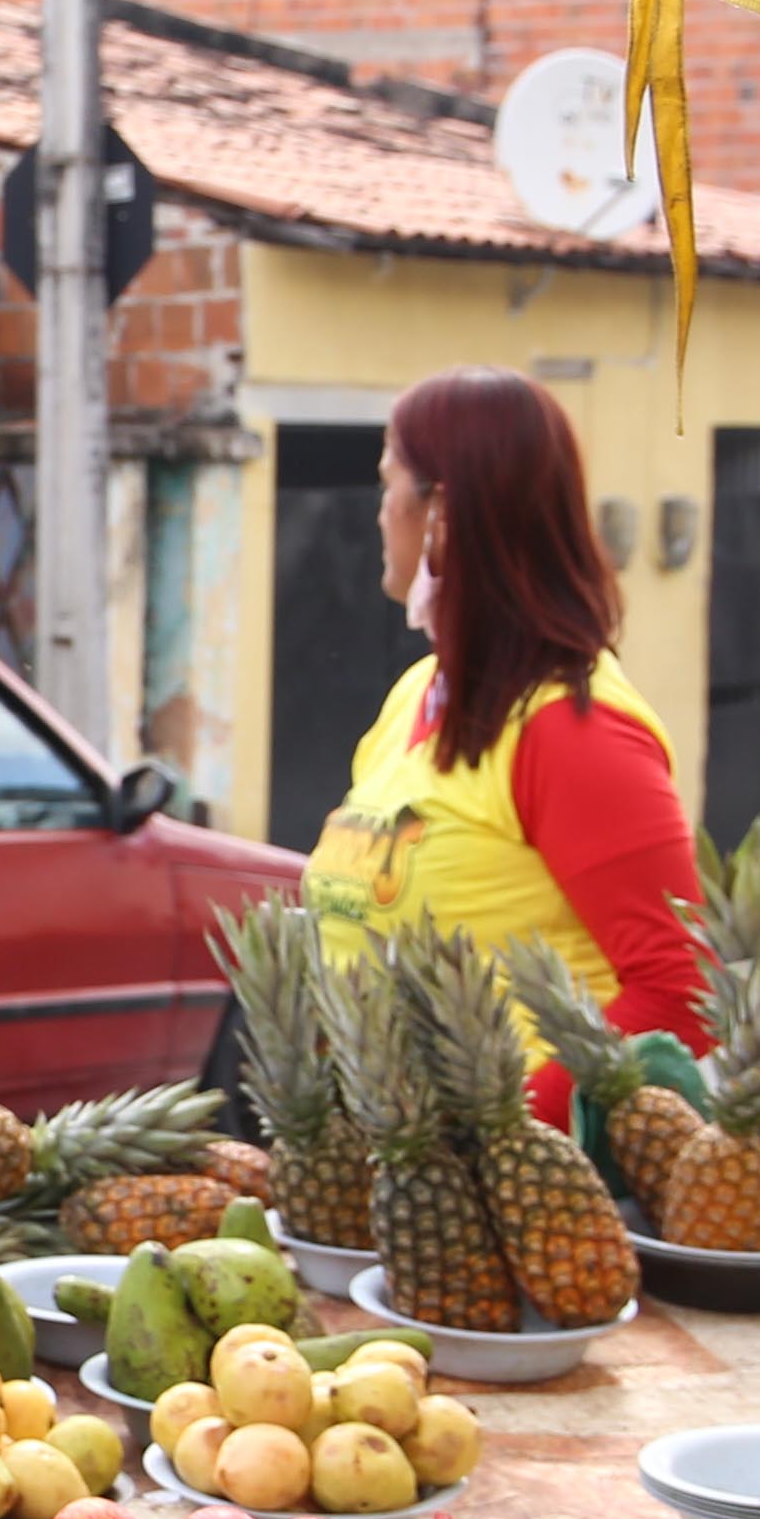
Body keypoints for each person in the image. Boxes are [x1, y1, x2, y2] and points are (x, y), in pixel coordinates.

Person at [307, 365, 705, 1109]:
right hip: (392, 1174)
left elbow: (679, 991)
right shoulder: (414, 697)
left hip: (514, 1198)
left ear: (441, 514)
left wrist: (505, 1147)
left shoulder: (570, 730)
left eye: (388, 484)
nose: (378, 511)